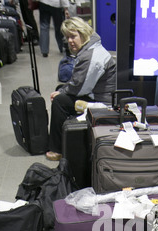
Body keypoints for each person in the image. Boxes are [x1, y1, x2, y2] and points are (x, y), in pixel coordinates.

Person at [46, 17, 116, 161]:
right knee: (61, 90)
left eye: (73, 36)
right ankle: (66, 136)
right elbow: (78, 81)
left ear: (83, 33)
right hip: (96, 94)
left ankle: (57, 149)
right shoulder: (91, 47)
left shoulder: (91, 56)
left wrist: (61, 92)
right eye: (67, 37)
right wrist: (63, 89)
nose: (70, 41)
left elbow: (79, 88)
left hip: (102, 103)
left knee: (59, 101)